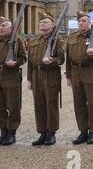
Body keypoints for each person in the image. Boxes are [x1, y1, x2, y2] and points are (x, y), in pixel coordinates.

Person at [66, 11, 93, 145]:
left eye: (84, 21)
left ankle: (92, 131)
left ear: (89, 23)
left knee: (92, 103)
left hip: (90, 71)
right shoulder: (71, 37)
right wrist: (68, 76)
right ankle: (83, 131)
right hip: (75, 72)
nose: (82, 23)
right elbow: (67, 58)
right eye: (80, 21)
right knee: (79, 103)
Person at [27, 12, 65, 146]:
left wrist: (52, 61)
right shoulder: (33, 41)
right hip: (36, 75)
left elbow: (61, 59)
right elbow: (30, 62)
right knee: (39, 104)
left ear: (52, 25)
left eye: (46, 22)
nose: (43, 24)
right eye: (41, 22)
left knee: (51, 103)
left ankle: (51, 132)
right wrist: (29, 79)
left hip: (50, 74)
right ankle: (42, 132)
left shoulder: (57, 40)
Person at [0, 17, 27, 145]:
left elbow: (23, 57)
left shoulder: (17, 41)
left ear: (11, 29)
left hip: (11, 76)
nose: (1, 28)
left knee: (13, 106)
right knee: (0, 106)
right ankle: (3, 131)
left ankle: (12, 132)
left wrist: (15, 62)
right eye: (0, 26)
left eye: (4, 25)